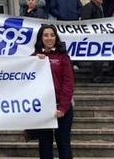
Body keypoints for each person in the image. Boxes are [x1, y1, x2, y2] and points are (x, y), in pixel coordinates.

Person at [33, 25, 75, 159]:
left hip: (63, 108)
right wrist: (34, 61)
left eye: (52, 35)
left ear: (56, 37)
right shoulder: (33, 58)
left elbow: (68, 84)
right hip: (43, 108)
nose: (49, 38)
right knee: (44, 145)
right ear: (41, 38)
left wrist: (62, 108)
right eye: (46, 35)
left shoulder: (63, 57)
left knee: (64, 144)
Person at [81, 0, 107, 83]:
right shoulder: (88, 7)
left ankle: (99, 75)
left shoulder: (99, 7)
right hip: (93, 37)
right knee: (96, 58)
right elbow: (85, 22)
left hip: (99, 37)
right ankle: (97, 76)